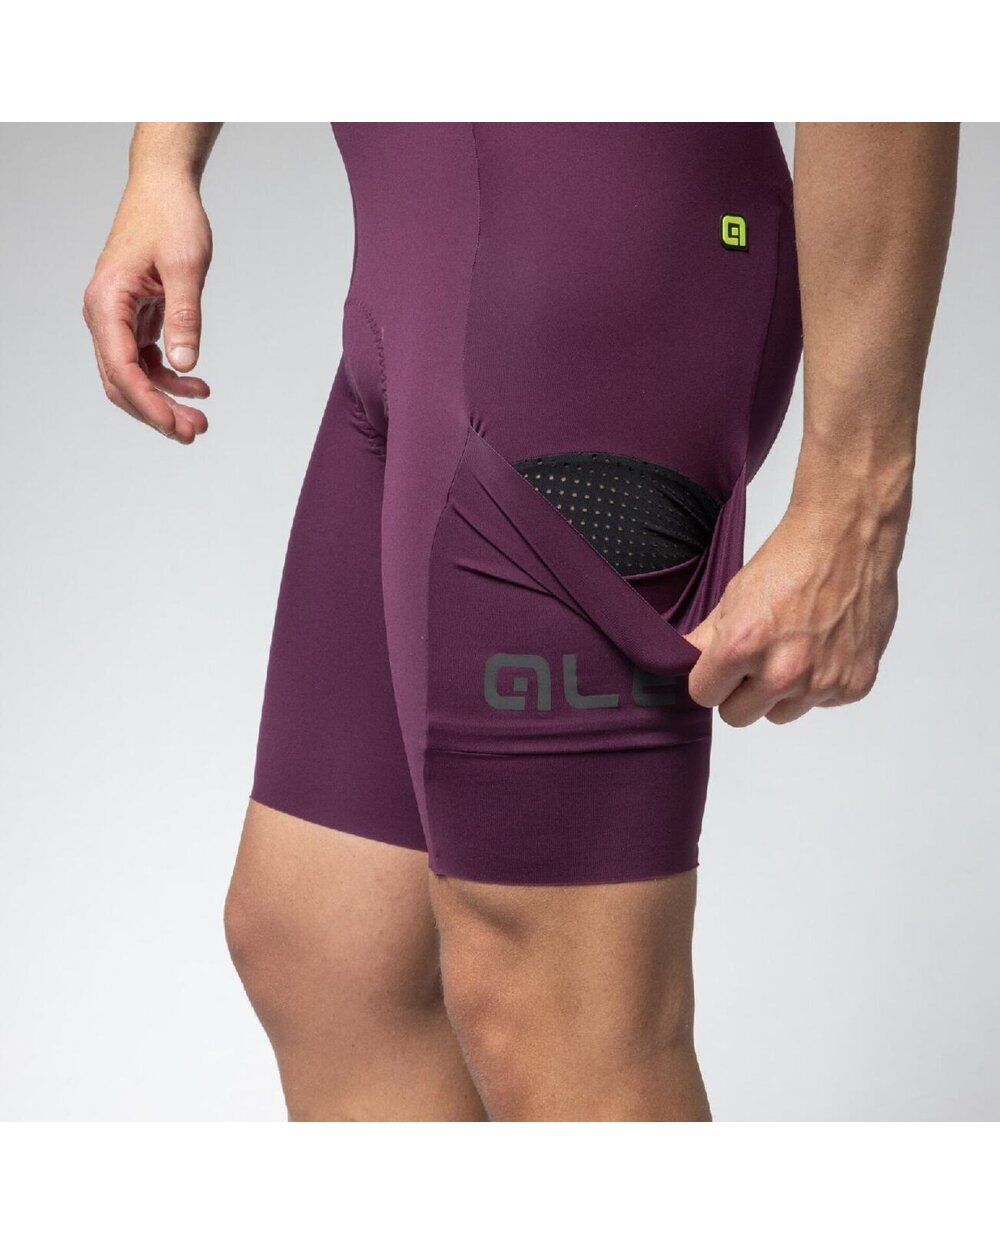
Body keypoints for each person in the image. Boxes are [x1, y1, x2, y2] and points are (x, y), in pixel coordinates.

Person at [83, 122, 959, 1122]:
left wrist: (856, 497)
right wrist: (163, 157)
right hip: (414, 275)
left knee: (562, 1016)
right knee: (329, 952)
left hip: (595, 301)